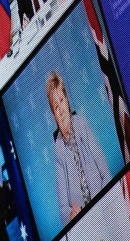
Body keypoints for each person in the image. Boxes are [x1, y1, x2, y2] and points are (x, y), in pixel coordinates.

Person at [47, 70, 111, 223]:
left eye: (61, 100)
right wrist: (71, 215)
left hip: (104, 205)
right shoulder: (58, 150)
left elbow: (105, 173)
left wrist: (105, 201)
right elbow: (63, 208)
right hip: (85, 221)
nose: (61, 110)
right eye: (56, 107)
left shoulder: (82, 124)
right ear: (54, 115)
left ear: (67, 101)